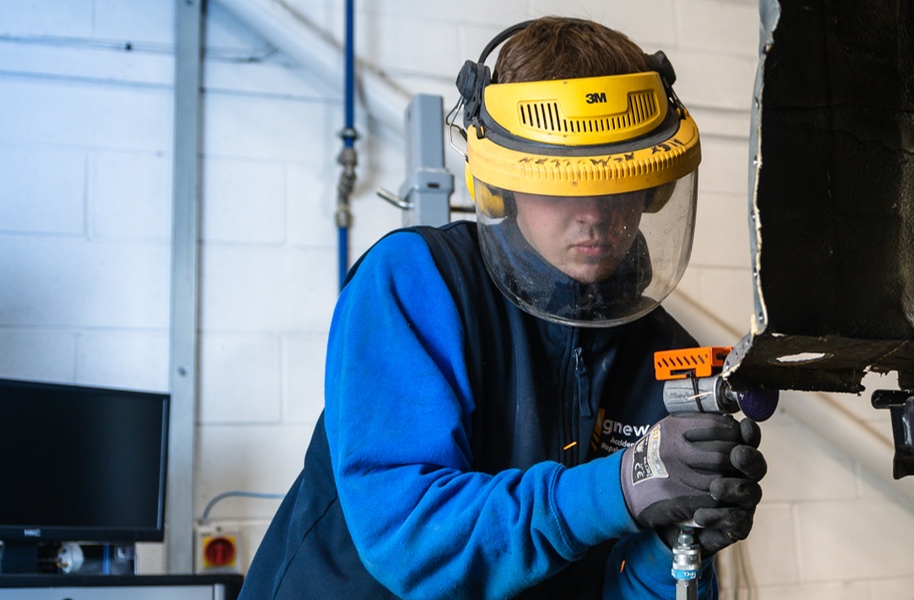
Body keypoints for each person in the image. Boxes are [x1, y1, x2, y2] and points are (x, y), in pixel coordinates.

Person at [239, 16, 767, 600]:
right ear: (497, 184)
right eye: (561, 180)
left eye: (619, 177)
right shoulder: (418, 282)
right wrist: (620, 487)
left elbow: (616, 589)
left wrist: (671, 548)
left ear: (656, 186)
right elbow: (410, 536)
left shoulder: (666, 353)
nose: (593, 213)